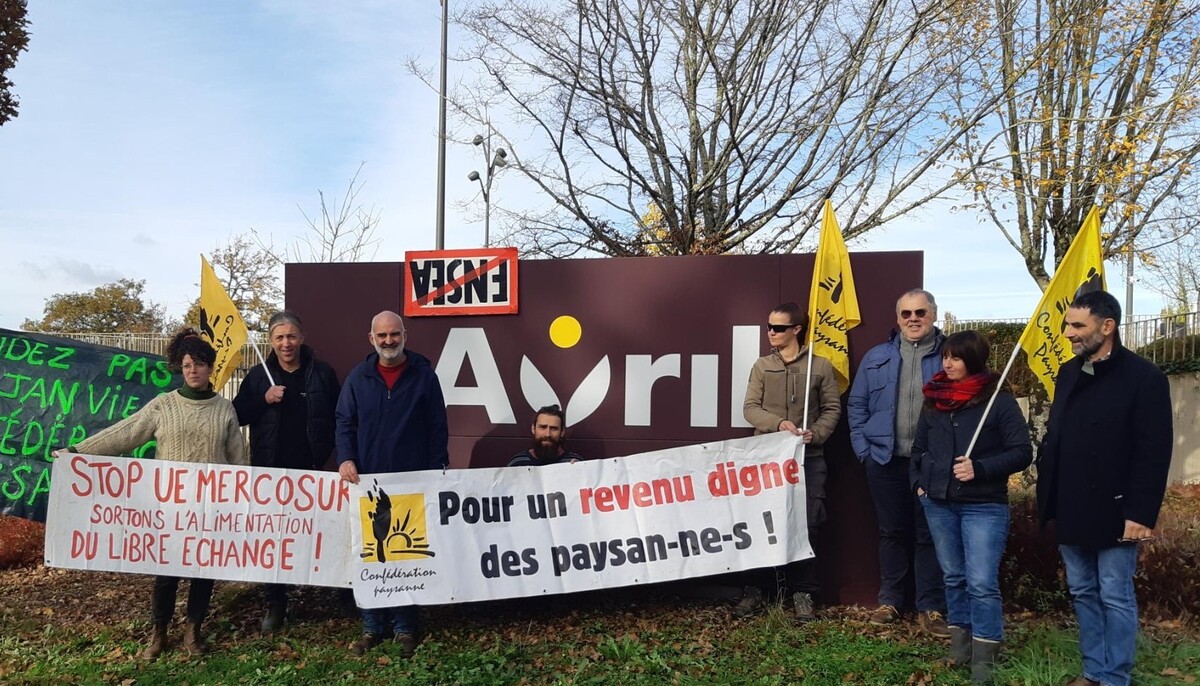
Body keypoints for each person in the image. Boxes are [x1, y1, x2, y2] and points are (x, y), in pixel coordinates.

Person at [74, 328, 247, 660]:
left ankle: (193, 631)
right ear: (179, 369)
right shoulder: (164, 406)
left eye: (198, 364)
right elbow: (126, 432)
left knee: (202, 573)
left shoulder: (225, 409)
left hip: (209, 509)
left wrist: (242, 501)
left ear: (210, 368)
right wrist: (80, 450)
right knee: (166, 574)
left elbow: (238, 460)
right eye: (186, 365)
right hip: (169, 509)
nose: (193, 371)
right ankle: (159, 633)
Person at [1036, 290, 1172, 686]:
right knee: (1082, 592)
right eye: (1067, 325)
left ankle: (1115, 677)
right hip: (1072, 507)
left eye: (1078, 325)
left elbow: (1153, 451)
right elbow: (1057, 438)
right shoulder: (1068, 372)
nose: (1068, 333)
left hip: (1117, 511)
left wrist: (1141, 513)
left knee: (1114, 595)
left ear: (1107, 326)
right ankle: (1093, 670)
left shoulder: (1145, 378)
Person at [911, 331, 1032, 683]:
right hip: (938, 503)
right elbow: (919, 449)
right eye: (945, 356)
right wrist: (919, 485)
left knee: (980, 581)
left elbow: (1022, 452)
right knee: (954, 576)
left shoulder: (998, 402)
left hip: (983, 506)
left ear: (974, 360)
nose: (947, 363)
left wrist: (979, 468)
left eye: (956, 358)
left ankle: (985, 658)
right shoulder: (933, 400)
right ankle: (960, 648)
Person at [336, 310, 449, 658]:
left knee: (405, 552)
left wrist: (435, 470)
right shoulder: (358, 378)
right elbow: (344, 422)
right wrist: (345, 458)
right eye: (382, 336)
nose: (388, 341)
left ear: (405, 335)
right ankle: (371, 628)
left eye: (394, 334)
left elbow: (437, 427)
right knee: (371, 555)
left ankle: (405, 627)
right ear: (372, 339)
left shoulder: (424, 376)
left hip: (412, 483)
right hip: (367, 484)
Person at [847, 288, 949, 636]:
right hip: (885, 461)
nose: (913, 319)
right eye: (906, 314)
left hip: (931, 464)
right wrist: (864, 448)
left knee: (929, 535)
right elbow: (856, 406)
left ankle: (931, 608)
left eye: (920, 312)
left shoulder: (949, 357)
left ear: (933, 314)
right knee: (891, 532)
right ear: (897, 319)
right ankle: (890, 601)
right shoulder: (877, 356)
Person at [233, 310, 341, 633]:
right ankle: (276, 602)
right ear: (271, 341)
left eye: (291, 336)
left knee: (320, 534)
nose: (286, 343)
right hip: (269, 473)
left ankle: (337, 592)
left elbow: (340, 417)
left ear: (302, 338)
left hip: (311, 472)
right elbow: (235, 415)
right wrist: (264, 400)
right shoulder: (257, 376)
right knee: (272, 537)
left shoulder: (322, 374)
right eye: (279, 337)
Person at [739, 302, 841, 622]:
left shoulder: (820, 366)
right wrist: (779, 424)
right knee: (762, 524)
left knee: (807, 526)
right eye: (769, 326)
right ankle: (757, 590)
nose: (771, 332)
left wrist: (817, 433)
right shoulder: (761, 365)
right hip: (768, 461)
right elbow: (750, 408)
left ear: (796, 329)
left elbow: (832, 409)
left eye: (778, 328)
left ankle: (803, 593)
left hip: (808, 459)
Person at [507, 404, 583, 466]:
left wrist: (578, 471)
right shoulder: (517, 462)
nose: (547, 434)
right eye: (543, 427)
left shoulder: (576, 463)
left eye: (553, 428)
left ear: (562, 432)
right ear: (533, 429)